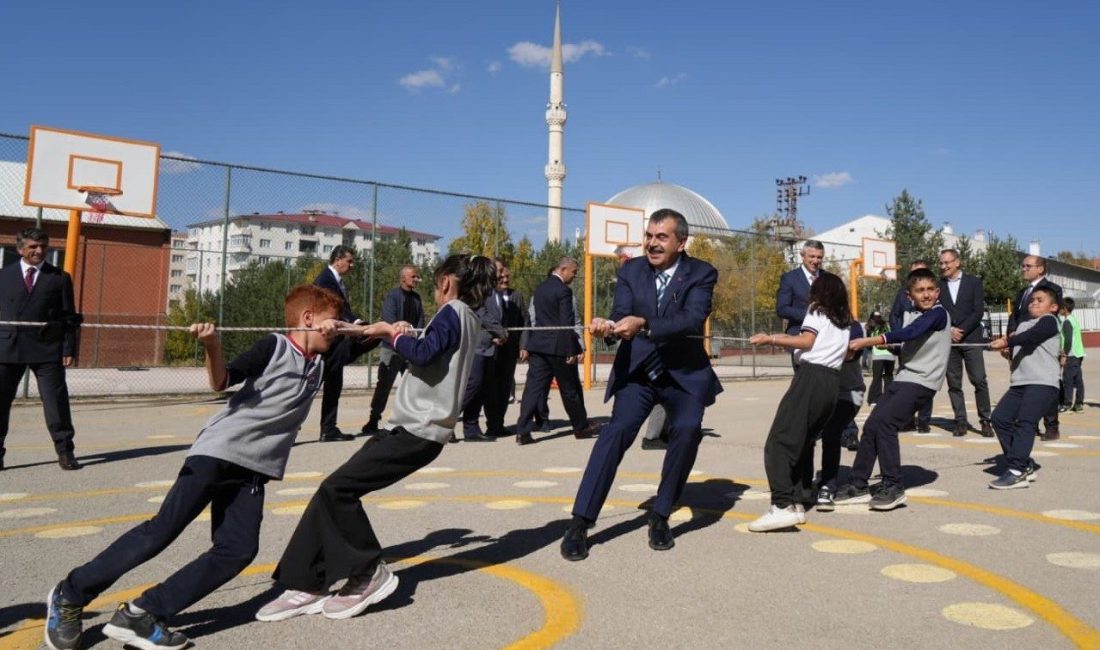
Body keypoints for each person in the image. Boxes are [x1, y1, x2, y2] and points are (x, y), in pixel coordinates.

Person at [44, 285, 345, 650]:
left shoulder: (321, 360)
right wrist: (212, 345)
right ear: (308, 318)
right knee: (161, 531)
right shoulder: (275, 346)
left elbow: (371, 335)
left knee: (237, 550)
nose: (339, 327)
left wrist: (394, 330)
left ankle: (143, 613)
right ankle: (71, 594)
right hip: (217, 453)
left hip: (252, 469)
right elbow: (222, 381)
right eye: (334, 320)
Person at [255, 254, 494, 623]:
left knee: (339, 490)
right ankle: (305, 581)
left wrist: (391, 334)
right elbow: (433, 349)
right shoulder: (467, 316)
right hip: (413, 429)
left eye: (433, 284)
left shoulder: (453, 310)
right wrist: (396, 331)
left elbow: (426, 352)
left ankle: (368, 572)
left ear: (446, 282)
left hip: (418, 430)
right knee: (330, 491)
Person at [560, 209, 721, 560]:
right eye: (649, 236)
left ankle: (661, 515)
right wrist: (609, 326)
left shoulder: (702, 273)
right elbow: (621, 313)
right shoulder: (631, 270)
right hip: (639, 372)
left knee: (688, 430)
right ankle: (579, 523)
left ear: (681, 242)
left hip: (683, 373)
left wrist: (644, 323)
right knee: (615, 433)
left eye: (661, 237)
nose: (651, 243)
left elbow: (692, 318)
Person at [835, 267, 951, 511]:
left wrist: (870, 341)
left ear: (938, 292)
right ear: (910, 296)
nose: (927, 294)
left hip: (923, 381)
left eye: (931, 289)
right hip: (905, 377)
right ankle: (858, 483)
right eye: (920, 291)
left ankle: (894, 485)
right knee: (872, 425)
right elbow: (909, 341)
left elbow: (910, 333)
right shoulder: (912, 314)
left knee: (887, 424)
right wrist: (894, 348)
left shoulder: (939, 314)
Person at [745, 274, 852, 531]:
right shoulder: (844, 322)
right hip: (832, 382)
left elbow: (807, 341)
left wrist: (770, 338)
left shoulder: (816, 311)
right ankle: (797, 500)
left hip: (811, 377)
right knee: (803, 441)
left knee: (779, 442)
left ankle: (781, 505)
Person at [0, 228, 82, 471]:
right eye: (33, 247)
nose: (39, 251)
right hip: (7, 348)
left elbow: (69, 317)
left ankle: (65, 451)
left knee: (56, 403)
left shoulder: (59, 278)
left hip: (47, 349)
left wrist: (69, 348)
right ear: (20, 249)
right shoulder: (3, 276)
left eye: (43, 246)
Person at [514, 257, 597, 445]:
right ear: (563, 269)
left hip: (539, 347)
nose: (574, 276)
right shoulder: (563, 291)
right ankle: (580, 427)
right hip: (559, 348)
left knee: (532, 390)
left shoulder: (540, 288)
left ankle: (523, 431)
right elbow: (566, 322)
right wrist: (571, 350)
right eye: (574, 272)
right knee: (570, 390)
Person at [987, 286, 1062, 489]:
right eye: (1031, 300)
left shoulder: (1049, 321)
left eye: (1040, 300)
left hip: (1043, 382)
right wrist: (1007, 350)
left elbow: (1032, 337)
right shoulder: (1023, 325)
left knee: (1025, 422)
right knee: (999, 419)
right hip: (1020, 382)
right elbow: (1021, 344)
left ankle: (1017, 469)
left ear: (1053, 307)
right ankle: (1023, 462)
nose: (1034, 303)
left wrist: (1006, 341)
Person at [313, 246, 369, 442]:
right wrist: (356, 324)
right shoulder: (326, 280)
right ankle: (290, 429)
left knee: (333, 383)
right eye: (350, 261)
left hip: (336, 340)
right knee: (311, 387)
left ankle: (328, 429)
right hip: (324, 341)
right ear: (338, 259)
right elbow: (336, 307)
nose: (352, 265)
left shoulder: (335, 280)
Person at [938, 249, 993, 437]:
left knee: (979, 380)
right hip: (949, 341)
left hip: (971, 339)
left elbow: (978, 311)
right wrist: (949, 330)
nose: (944, 266)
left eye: (947, 262)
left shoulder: (974, 282)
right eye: (941, 263)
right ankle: (960, 420)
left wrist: (961, 330)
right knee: (954, 383)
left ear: (957, 262)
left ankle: (985, 420)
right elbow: (937, 311)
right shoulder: (938, 286)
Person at [363, 265, 424, 435]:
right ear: (403, 278)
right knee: (384, 385)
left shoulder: (417, 298)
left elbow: (420, 322)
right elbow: (389, 320)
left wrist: (413, 335)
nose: (416, 279)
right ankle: (373, 420)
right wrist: (400, 331)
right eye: (413, 277)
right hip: (392, 348)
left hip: (410, 348)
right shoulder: (392, 296)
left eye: (417, 276)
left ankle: (412, 421)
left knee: (414, 385)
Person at [1008, 255, 1063, 440]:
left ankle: (1051, 425)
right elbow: (1014, 316)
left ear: (1040, 269)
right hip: (1019, 345)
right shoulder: (1023, 292)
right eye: (1022, 266)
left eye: (1028, 266)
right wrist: (1010, 339)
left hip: (1040, 346)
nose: (1023, 269)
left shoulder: (1053, 289)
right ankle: (1028, 422)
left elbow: (1051, 320)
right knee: (1023, 384)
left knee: (1043, 385)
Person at [814, 320, 867, 510]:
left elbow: (850, 354)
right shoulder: (813, 324)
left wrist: (808, 345)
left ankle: (828, 485)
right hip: (825, 390)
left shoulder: (853, 327)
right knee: (803, 432)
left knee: (831, 431)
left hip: (853, 391)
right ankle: (800, 485)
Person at [459, 261, 508, 441]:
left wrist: (496, 335)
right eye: (499, 270)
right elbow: (481, 313)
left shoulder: (494, 291)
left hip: (489, 346)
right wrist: (499, 331)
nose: (503, 274)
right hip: (475, 346)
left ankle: (471, 429)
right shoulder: (476, 289)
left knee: (480, 389)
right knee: (472, 385)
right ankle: (444, 422)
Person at [485, 259, 528, 438]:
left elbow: (525, 322)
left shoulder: (516, 296)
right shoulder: (485, 295)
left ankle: (498, 424)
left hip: (509, 350)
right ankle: (489, 425)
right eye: (501, 274)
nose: (505, 277)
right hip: (490, 349)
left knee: (504, 388)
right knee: (489, 388)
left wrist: (523, 345)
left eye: (506, 274)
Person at [889, 260, 933, 433]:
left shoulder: (933, 295)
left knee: (925, 382)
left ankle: (923, 420)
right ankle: (906, 418)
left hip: (928, 346)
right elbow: (894, 315)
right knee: (906, 382)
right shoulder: (902, 293)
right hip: (907, 345)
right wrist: (899, 335)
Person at [776, 240, 835, 366]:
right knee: (803, 380)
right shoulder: (789, 278)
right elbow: (782, 308)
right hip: (800, 336)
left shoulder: (828, 278)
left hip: (825, 337)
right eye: (812, 256)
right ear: (803, 256)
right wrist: (811, 316)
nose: (816, 260)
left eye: (819, 257)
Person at [1059, 297, 1085, 413]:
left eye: (1060, 308)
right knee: (1078, 379)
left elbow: (1068, 340)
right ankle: (1079, 404)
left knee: (1068, 379)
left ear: (1064, 309)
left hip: (1071, 354)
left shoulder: (1067, 322)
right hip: (1078, 353)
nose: (1059, 310)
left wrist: (1064, 354)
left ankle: (1067, 404)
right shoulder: (1074, 319)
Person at [865, 312, 894, 406]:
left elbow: (869, 345)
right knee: (888, 377)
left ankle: (874, 399)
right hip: (890, 356)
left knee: (877, 378)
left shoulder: (872, 328)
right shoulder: (887, 326)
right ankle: (888, 398)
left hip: (878, 356)